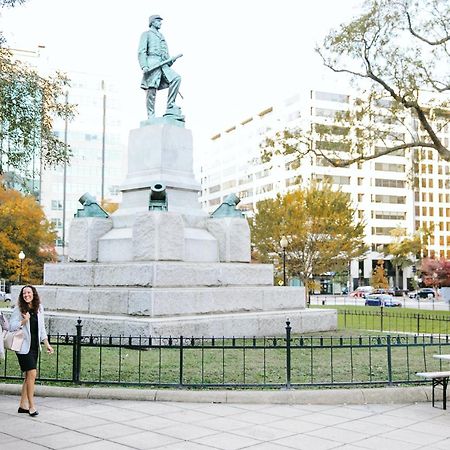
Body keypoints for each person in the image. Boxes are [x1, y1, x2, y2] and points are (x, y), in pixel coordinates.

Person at [9, 285, 53, 416]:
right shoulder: (19, 309)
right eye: (24, 294)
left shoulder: (39, 308)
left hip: (34, 347)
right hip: (23, 348)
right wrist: (24, 320)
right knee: (32, 374)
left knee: (28, 376)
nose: (26, 295)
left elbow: (42, 329)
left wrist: (47, 344)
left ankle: (23, 405)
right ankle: (32, 406)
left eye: (28, 292)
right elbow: (11, 326)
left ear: (33, 293)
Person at [138, 14, 183, 121]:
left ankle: (170, 106)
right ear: (152, 22)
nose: (160, 23)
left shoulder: (162, 36)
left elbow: (165, 54)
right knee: (151, 89)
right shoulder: (146, 34)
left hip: (163, 64)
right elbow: (141, 51)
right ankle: (151, 114)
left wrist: (171, 60)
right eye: (158, 21)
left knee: (176, 78)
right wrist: (144, 65)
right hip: (152, 62)